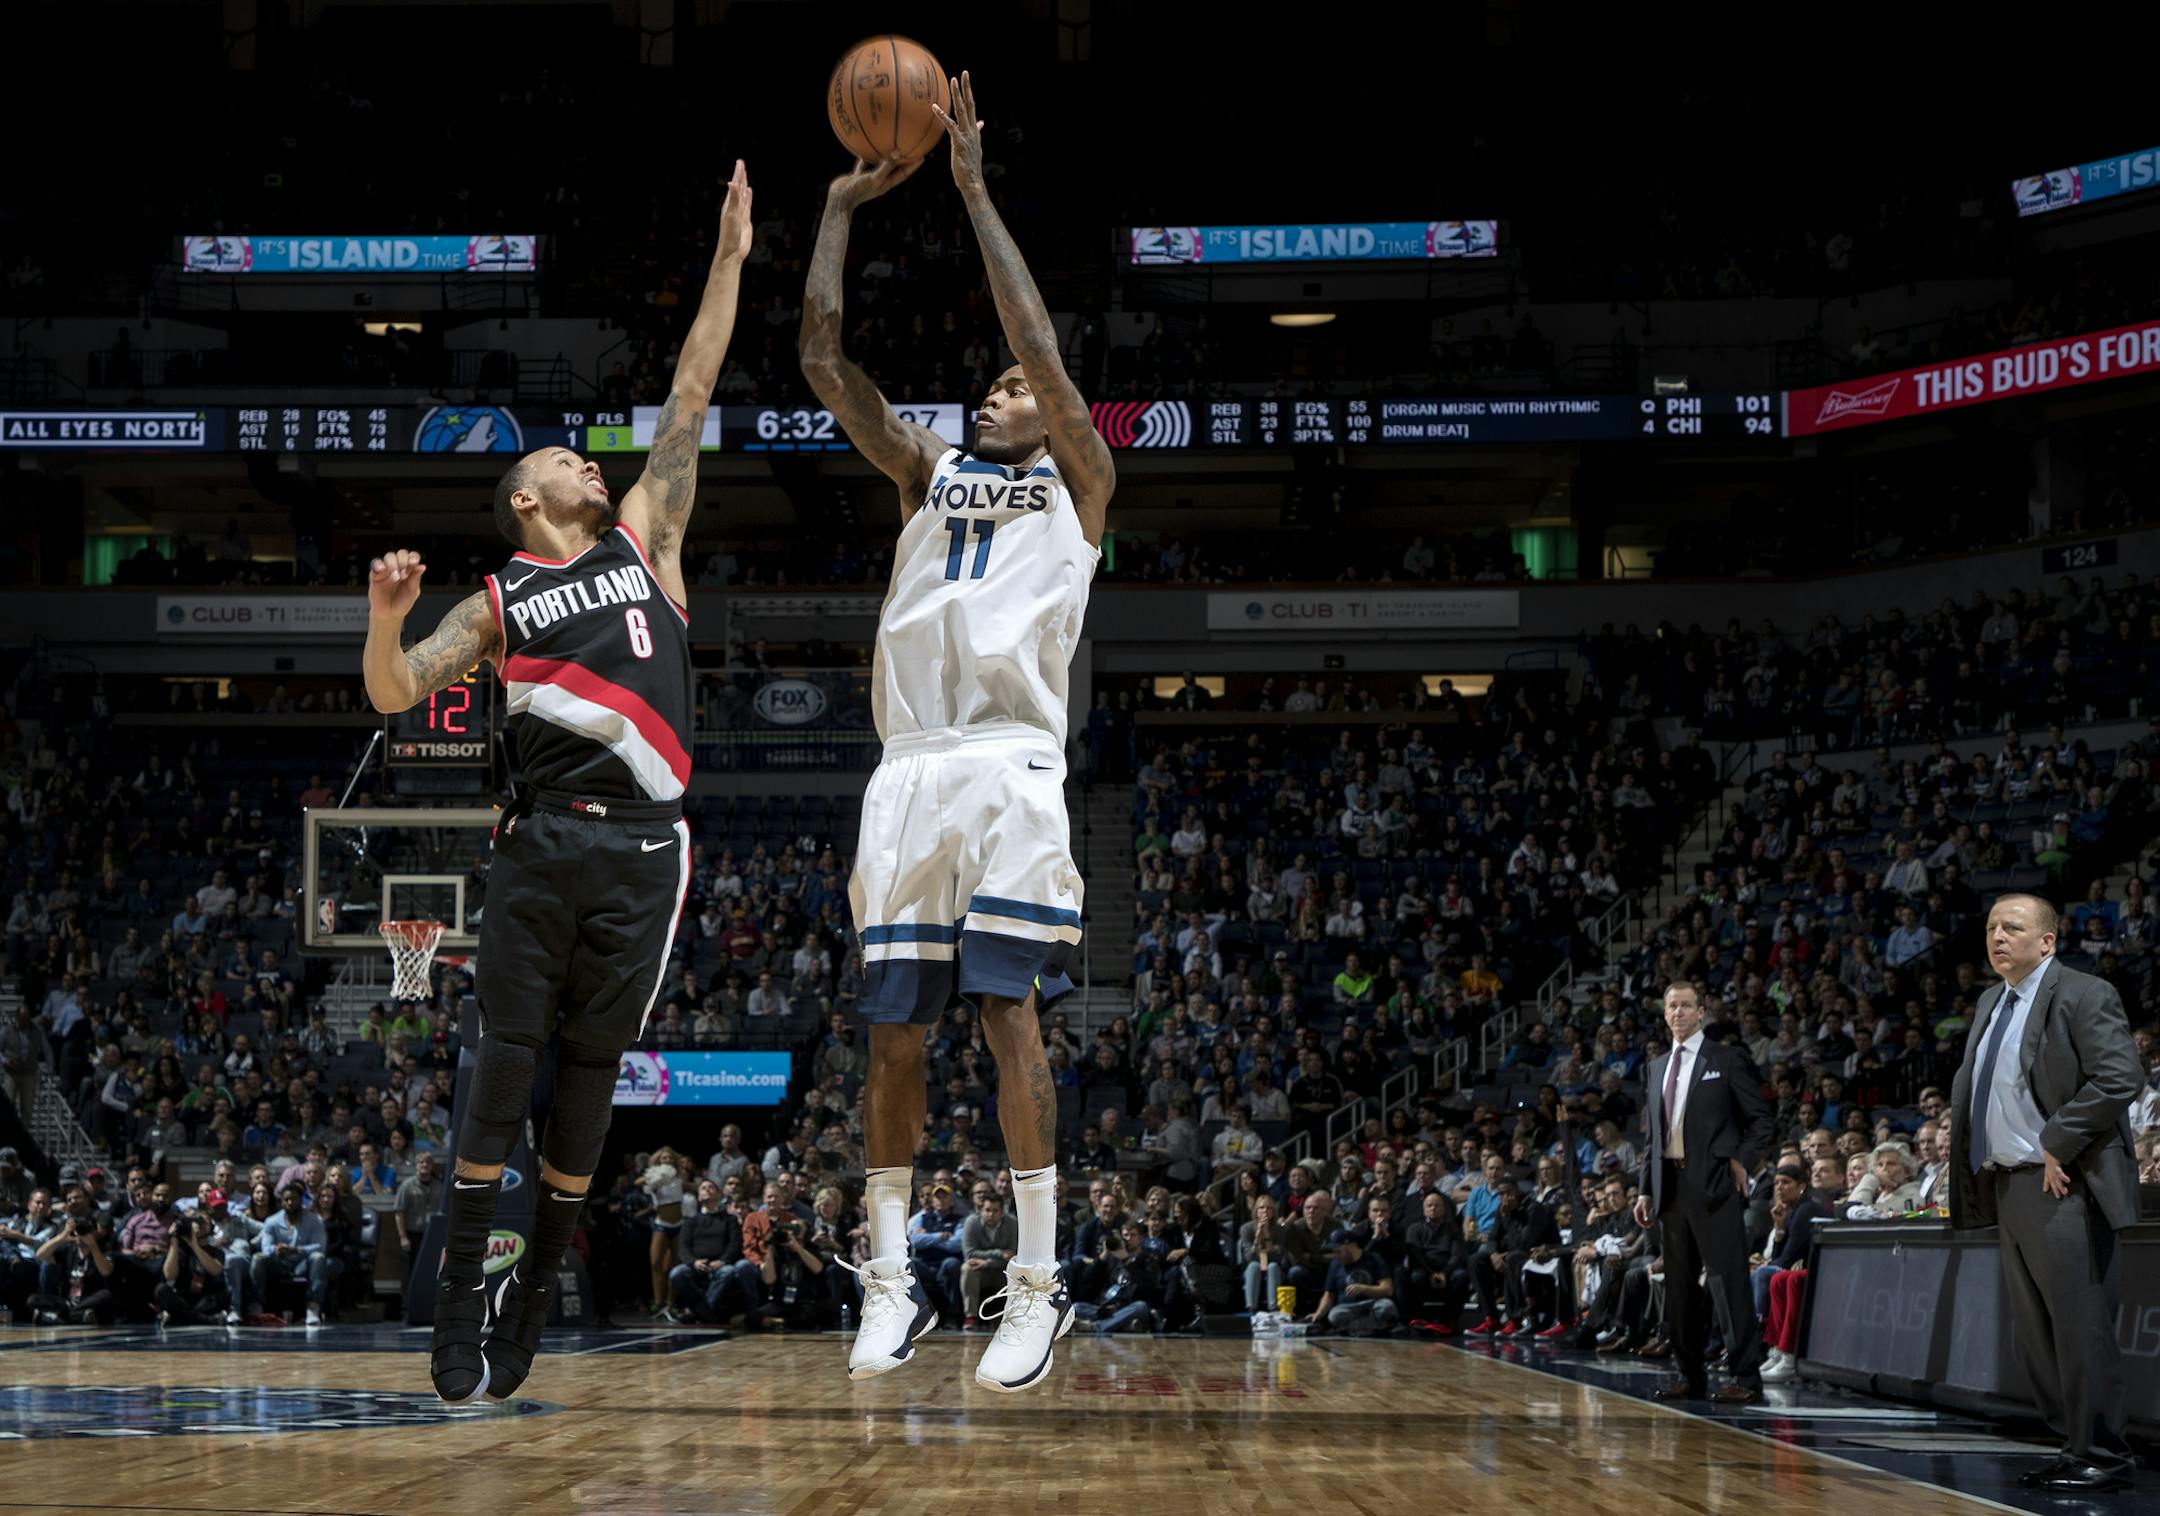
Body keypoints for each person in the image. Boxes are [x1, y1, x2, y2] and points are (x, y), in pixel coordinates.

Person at [364, 164, 754, 1405]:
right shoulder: (498, 601)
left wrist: (730, 259)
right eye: (563, 458)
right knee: (501, 1069)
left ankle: (536, 1295)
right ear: (526, 500)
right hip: (540, 841)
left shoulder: (648, 535)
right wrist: (384, 620)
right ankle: (460, 1304)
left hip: (648, 847)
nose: (590, 460)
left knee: (589, 1083)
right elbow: (393, 690)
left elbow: (690, 391)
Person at [800, 74, 1115, 1395]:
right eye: (988, 382)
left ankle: (1037, 1284)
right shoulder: (928, 473)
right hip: (910, 770)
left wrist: (975, 191)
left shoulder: (1084, 482)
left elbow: (1038, 343)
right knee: (893, 1035)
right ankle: (892, 1280)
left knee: (1006, 1012)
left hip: (1010, 763)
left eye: (1016, 385)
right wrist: (836, 211)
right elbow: (825, 365)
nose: (997, 388)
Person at [1949, 894, 2141, 1493]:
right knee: (2037, 1335)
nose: (1997, 937)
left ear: (2048, 941)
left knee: (2081, 1328)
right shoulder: (1991, 1000)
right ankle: (2073, 1445)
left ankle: (2103, 1455)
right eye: (1991, 927)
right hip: (2011, 1183)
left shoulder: (2084, 993)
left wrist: (2059, 1139)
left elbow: (2121, 1077)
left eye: (2012, 927)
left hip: (2065, 1184)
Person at [1634, 980, 1774, 1404]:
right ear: (1664, 1014)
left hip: (1714, 1186)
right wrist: (1644, 1190)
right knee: (1679, 1288)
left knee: (1728, 1284)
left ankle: (1746, 1377)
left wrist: (1741, 1159)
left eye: (1686, 1005)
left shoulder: (1726, 1058)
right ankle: (1689, 1375)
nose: (1678, 1012)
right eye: (1671, 1006)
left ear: (1701, 1012)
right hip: (1669, 1189)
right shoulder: (1656, 1066)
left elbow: (1762, 1119)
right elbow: (1652, 1137)